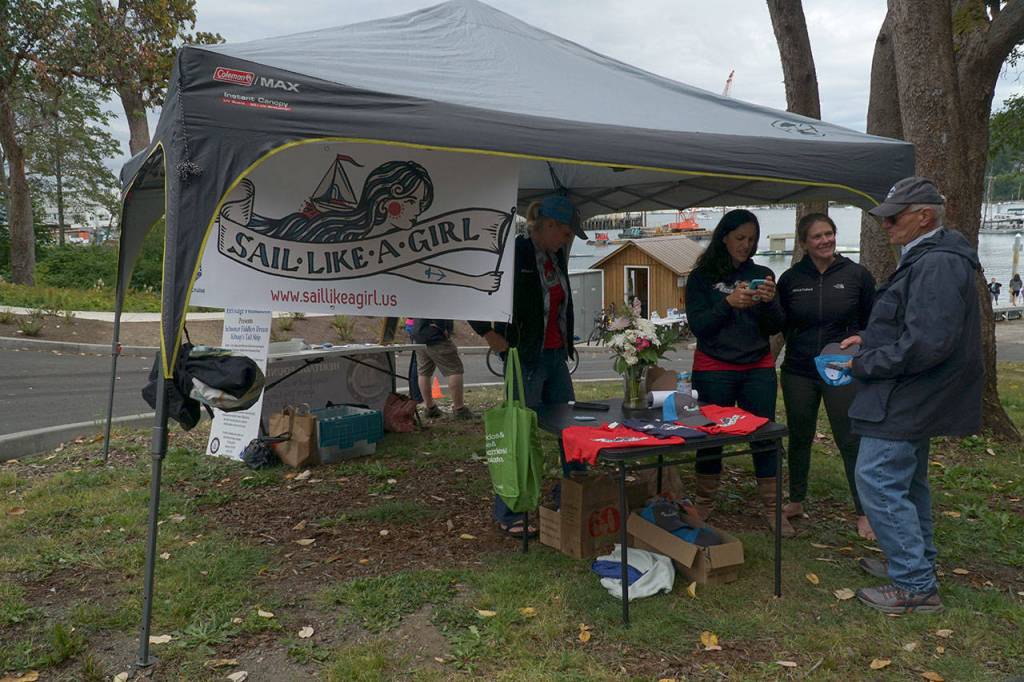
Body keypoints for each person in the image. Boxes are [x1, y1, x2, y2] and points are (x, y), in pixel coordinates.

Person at [839, 176, 982, 614]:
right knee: (907, 481)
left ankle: (915, 584)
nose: (886, 225)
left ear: (924, 216)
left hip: (910, 394)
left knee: (877, 479)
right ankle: (914, 564)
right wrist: (871, 340)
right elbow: (913, 325)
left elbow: (928, 343)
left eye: (893, 217)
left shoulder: (937, 262)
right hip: (916, 391)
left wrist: (865, 364)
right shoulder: (928, 255)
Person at [470, 195, 585, 538]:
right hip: (524, 357)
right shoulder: (514, 253)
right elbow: (473, 291)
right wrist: (489, 333)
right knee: (518, 432)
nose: (568, 240)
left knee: (572, 429)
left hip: (555, 356)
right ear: (548, 226)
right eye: (565, 233)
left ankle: (573, 494)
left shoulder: (555, 257)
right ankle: (510, 509)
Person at [683, 209, 791, 536]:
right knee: (710, 435)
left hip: (756, 365)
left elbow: (776, 326)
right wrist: (728, 303)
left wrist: (770, 302)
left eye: (752, 239)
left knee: (764, 434)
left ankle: (772, 508)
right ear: (725, 236)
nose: (746, 245)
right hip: (714, 366)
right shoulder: (701, 277)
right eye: (740, 238)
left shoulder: (762, 273)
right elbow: (700, 327)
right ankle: (704, 501)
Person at [777, 213, 876, 539]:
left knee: (849, 439)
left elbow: (873, 324)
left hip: (842, 371)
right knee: (800, 437)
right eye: (817, 236)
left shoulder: (856, 275)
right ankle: (795, 500)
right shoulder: (791, 280)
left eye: (829, 234)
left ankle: (863, 512)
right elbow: (780, 326)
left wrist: (861, 340)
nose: (825, 240)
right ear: (804, 243)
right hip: (799, 371)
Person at [411, 318, 472, 420]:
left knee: (424, 372)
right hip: (435, 335)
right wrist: (442, 327)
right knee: (454, 369)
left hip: (419, 334)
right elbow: (438, 307)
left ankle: (430, 407)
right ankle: (459, 409)